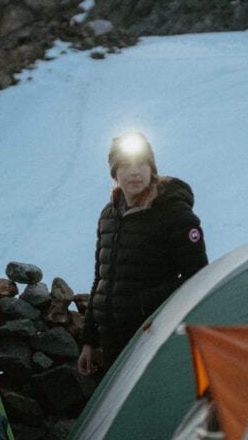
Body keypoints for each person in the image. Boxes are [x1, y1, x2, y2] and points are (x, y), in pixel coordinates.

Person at [77, 131, 207, 375]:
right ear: (115, 172)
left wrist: (141, 305)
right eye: (125, 165)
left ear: (152, 169)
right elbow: (101, 280)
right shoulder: (109, 215)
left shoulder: (175, 214)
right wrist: (90, 340)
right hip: (111, 344)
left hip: (153, 338)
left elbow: (197, 276)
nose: (134, 172)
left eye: (141, 164)